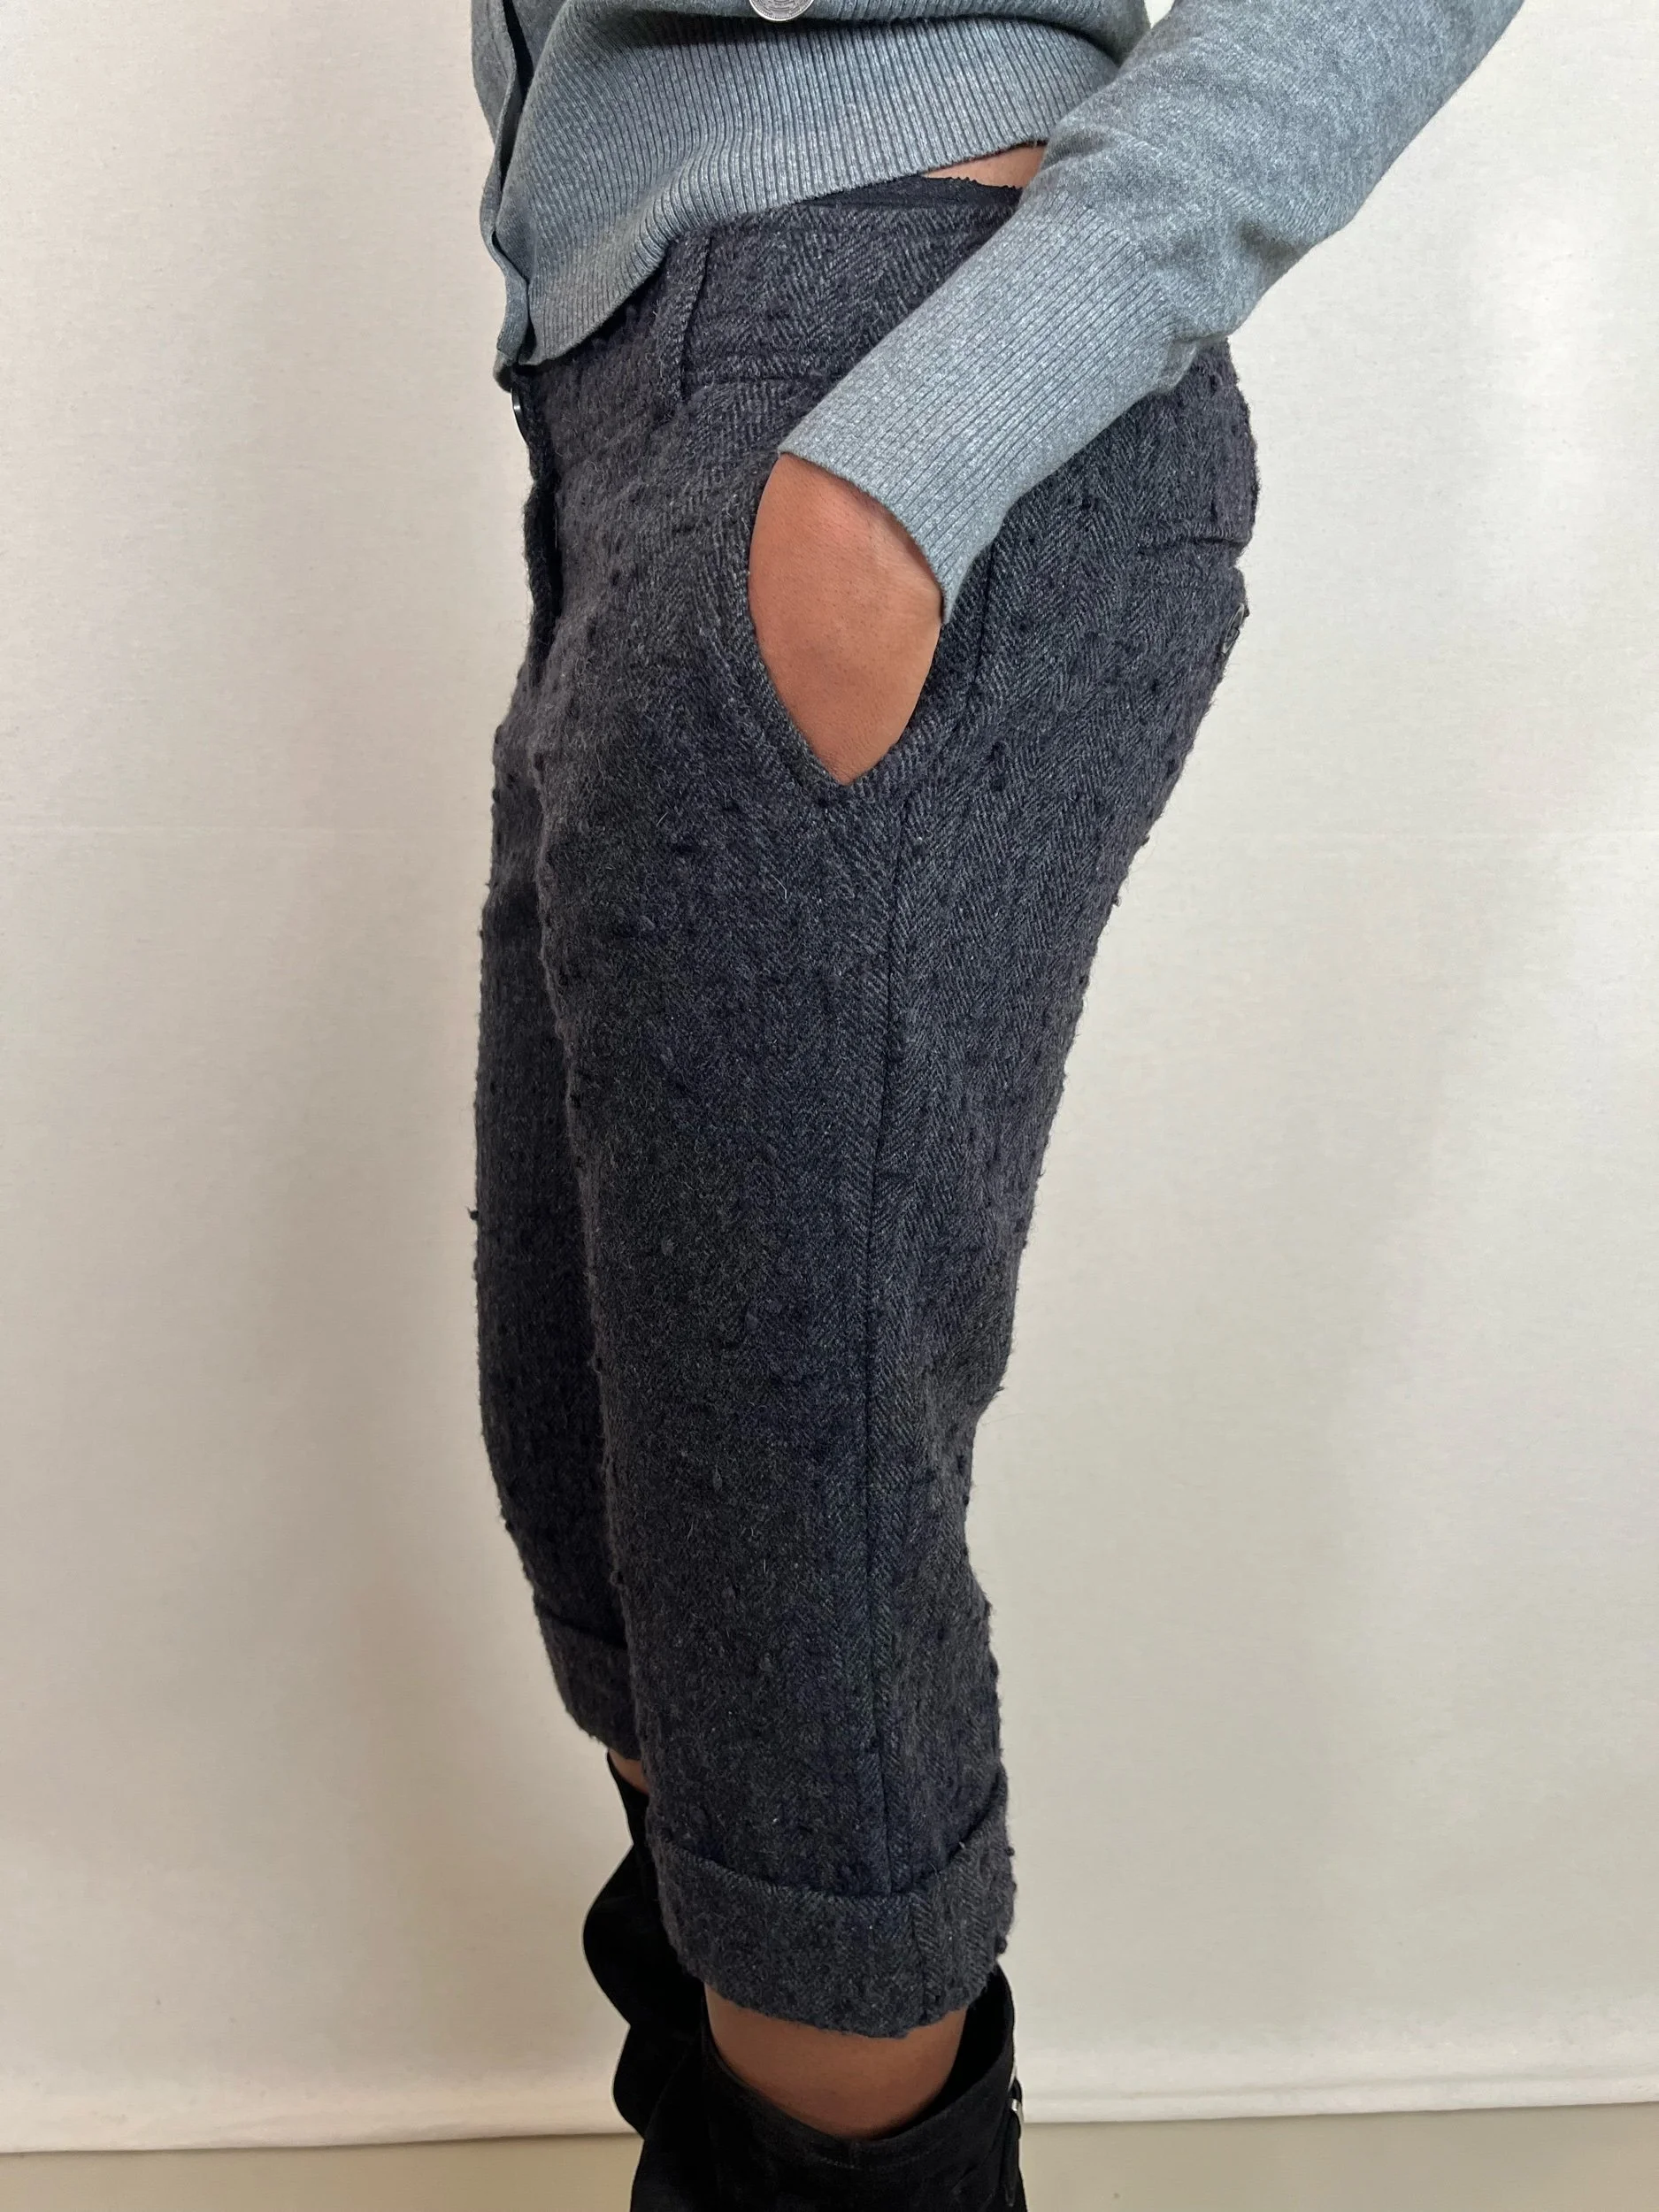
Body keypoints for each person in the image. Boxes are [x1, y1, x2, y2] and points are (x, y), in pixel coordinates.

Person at [468, 2, 1525, 2201]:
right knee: (625, 1546)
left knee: (791, 1638)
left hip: (879, 359)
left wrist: (921, 447)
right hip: (631, 399)